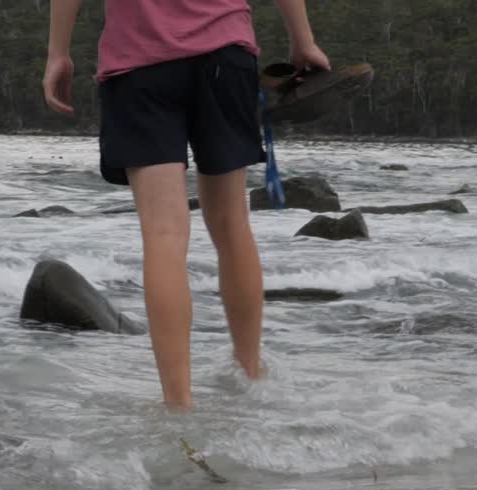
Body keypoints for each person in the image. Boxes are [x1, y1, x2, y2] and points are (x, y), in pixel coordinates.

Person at [42, 0, 331, 411]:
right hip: (224, 57)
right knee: (232, 225)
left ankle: (178, 404)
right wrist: (304, 41)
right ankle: (250, 374)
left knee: (163, 234)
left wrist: (58, 53)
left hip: (140, 66)